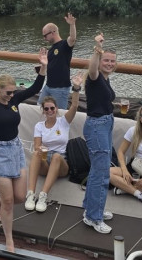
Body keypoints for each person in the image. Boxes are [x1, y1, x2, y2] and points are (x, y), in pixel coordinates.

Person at [0, 48, 47, 253]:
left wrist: (43, 67)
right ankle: (9, 240)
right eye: (8, 92)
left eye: (13, 92)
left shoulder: (15, 101)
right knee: (9, 202)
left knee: (19, 196)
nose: (11, 95)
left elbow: (35, 87)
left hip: (15, 149)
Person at [25, 73, 82, 213]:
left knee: (56, 156)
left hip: (61, 161)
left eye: (52, 108)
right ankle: (30, 194)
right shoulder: (39, 126)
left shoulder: (63, 122)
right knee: (36, 153)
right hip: (45, 160)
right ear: (43, 111)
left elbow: (74, 106)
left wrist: (76, 88)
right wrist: (41, 149)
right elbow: (37, 145)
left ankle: (43, 196)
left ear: (56, 109)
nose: (50, 111)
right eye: (46, 109)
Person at [81, 32, 116, 234]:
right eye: (106, 60)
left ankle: (90, 208)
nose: (109, 63)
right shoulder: (94, 77)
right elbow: (92, 68)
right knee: (102, 174)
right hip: (97, 126)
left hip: (105, 123)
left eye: (112, 61)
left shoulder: (105, 79)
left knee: (97, 170)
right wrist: (97, 48)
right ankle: (94, 217)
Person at [38, 14, 76, 109]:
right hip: (48, 86)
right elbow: (51, 65)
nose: (44, 38)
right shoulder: (51, 50)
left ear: (53, 32)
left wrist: (72, 25)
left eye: (45, 35)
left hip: (60, 89)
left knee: (59, 114)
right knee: (39, 108)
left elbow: (72, 39)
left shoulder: (64, 45)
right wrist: (41, 66)